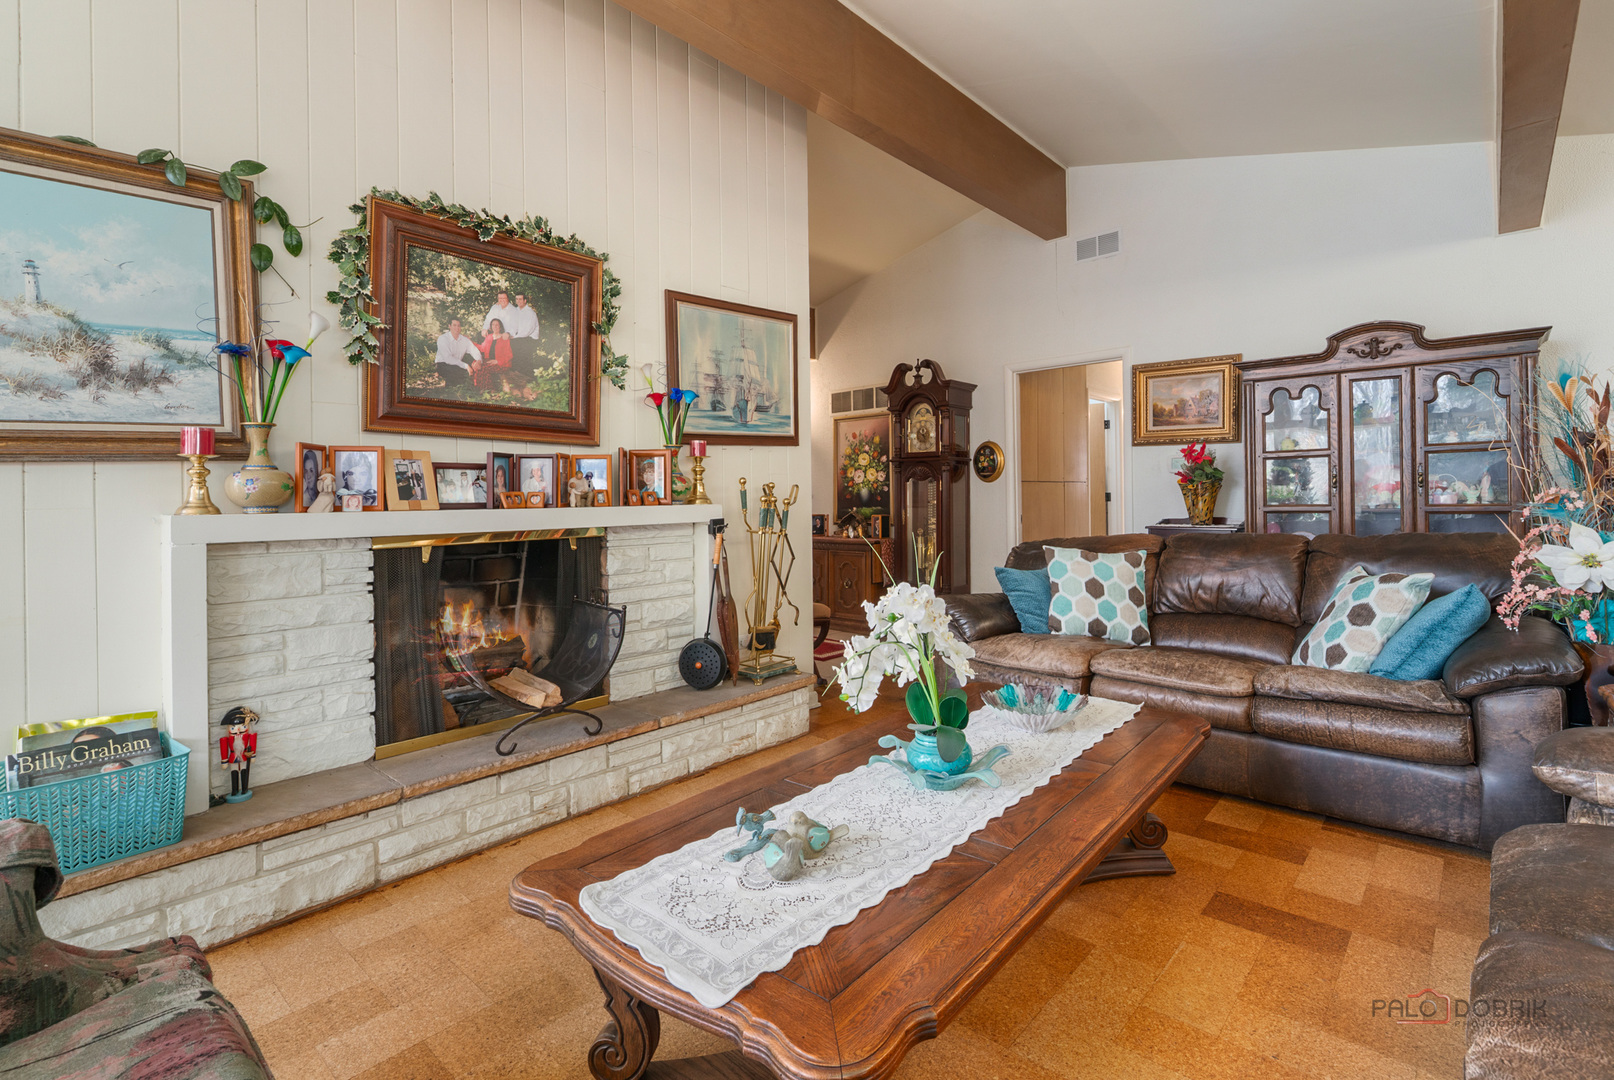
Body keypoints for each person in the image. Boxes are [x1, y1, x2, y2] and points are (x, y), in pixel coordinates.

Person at [434, 319, 480, 389]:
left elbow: (474, 350)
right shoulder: (443, 338)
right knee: (456, 372)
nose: (457, 328)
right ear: (449, 326)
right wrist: (466, 366)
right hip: (442, 364)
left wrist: (479, 361)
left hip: (458, 364)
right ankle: (449, 393)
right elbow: (448, 358)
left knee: (467, 373)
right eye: (454, 325)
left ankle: (465, 391)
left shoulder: (464, 340)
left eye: (459, 326)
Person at [508, 292, 541, 374]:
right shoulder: (515, 311)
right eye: (517, 299)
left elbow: (528, 331)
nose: (518, 301)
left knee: (518, 345)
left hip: (530, 339)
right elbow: (512, 326)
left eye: (520, 299)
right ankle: (514, 372)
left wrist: (515, 337)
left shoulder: (530, 313)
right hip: (519, 338)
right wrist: (510, 335)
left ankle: (526, 375)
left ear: (525, 300)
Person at [476, 318, 514, 391]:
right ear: (491, 327)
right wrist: (470, 343)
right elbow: (482, 348)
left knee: (484, 368)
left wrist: (497, 361)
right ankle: (481, 389)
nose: (495, 326)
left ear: (500, 327)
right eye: (493, 325)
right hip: (489, 361)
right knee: (478, 366)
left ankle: (490, 390)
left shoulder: (504, 338)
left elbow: (509, 355)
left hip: (502, 364)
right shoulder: (489, 337)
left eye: (497, 325)